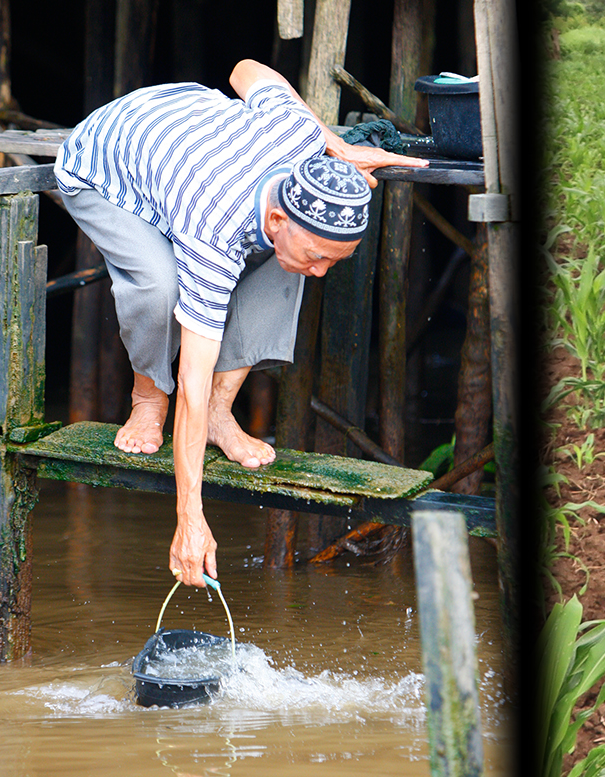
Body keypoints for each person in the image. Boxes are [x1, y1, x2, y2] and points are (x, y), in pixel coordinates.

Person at [54, 59, 427, 586]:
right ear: (276, 219)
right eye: (319, 254)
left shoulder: (297, 135)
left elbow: (247, 70)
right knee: (161, 282)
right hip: (103, 164)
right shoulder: (214, 228)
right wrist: (190, 518)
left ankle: (222, 414)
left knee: (288, 268)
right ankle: (144, 396)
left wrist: (334, 144)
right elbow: (193, 380)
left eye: (334, 260)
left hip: (186, 138)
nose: (323, 272)